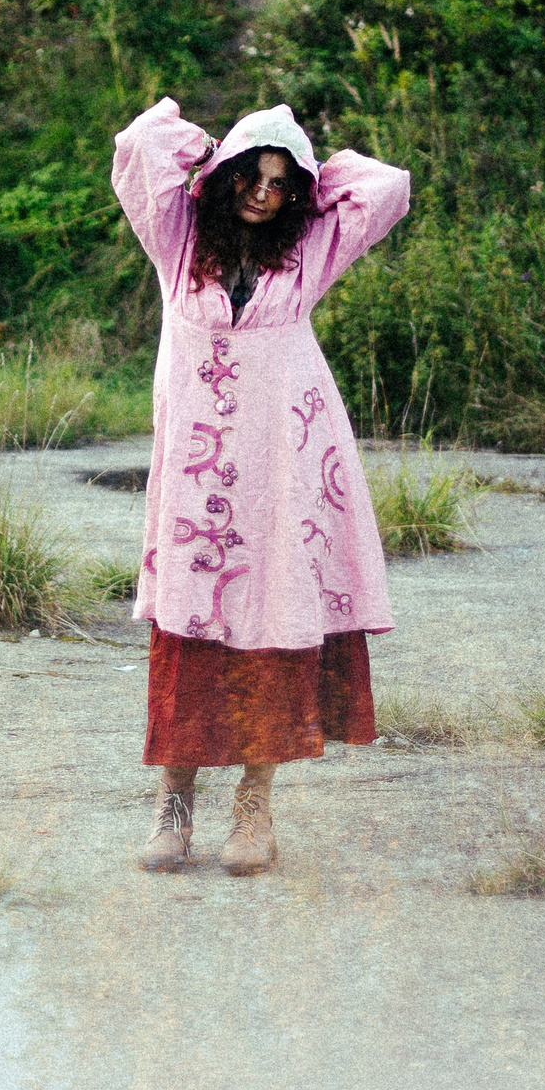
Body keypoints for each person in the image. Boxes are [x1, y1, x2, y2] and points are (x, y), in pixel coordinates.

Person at [109, 97, 412, 874]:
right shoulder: (177, 244)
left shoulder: (306, 252)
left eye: (280, 183)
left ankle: (255, 814)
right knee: (187, 634)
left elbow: (385, 187)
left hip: (282, 477)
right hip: (196, 491)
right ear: (225, 176)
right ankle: (173, 813)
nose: (262, 192)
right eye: (252, 174)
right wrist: (219, 146)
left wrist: (308, 164)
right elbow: (142, 144)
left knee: (274, 627)